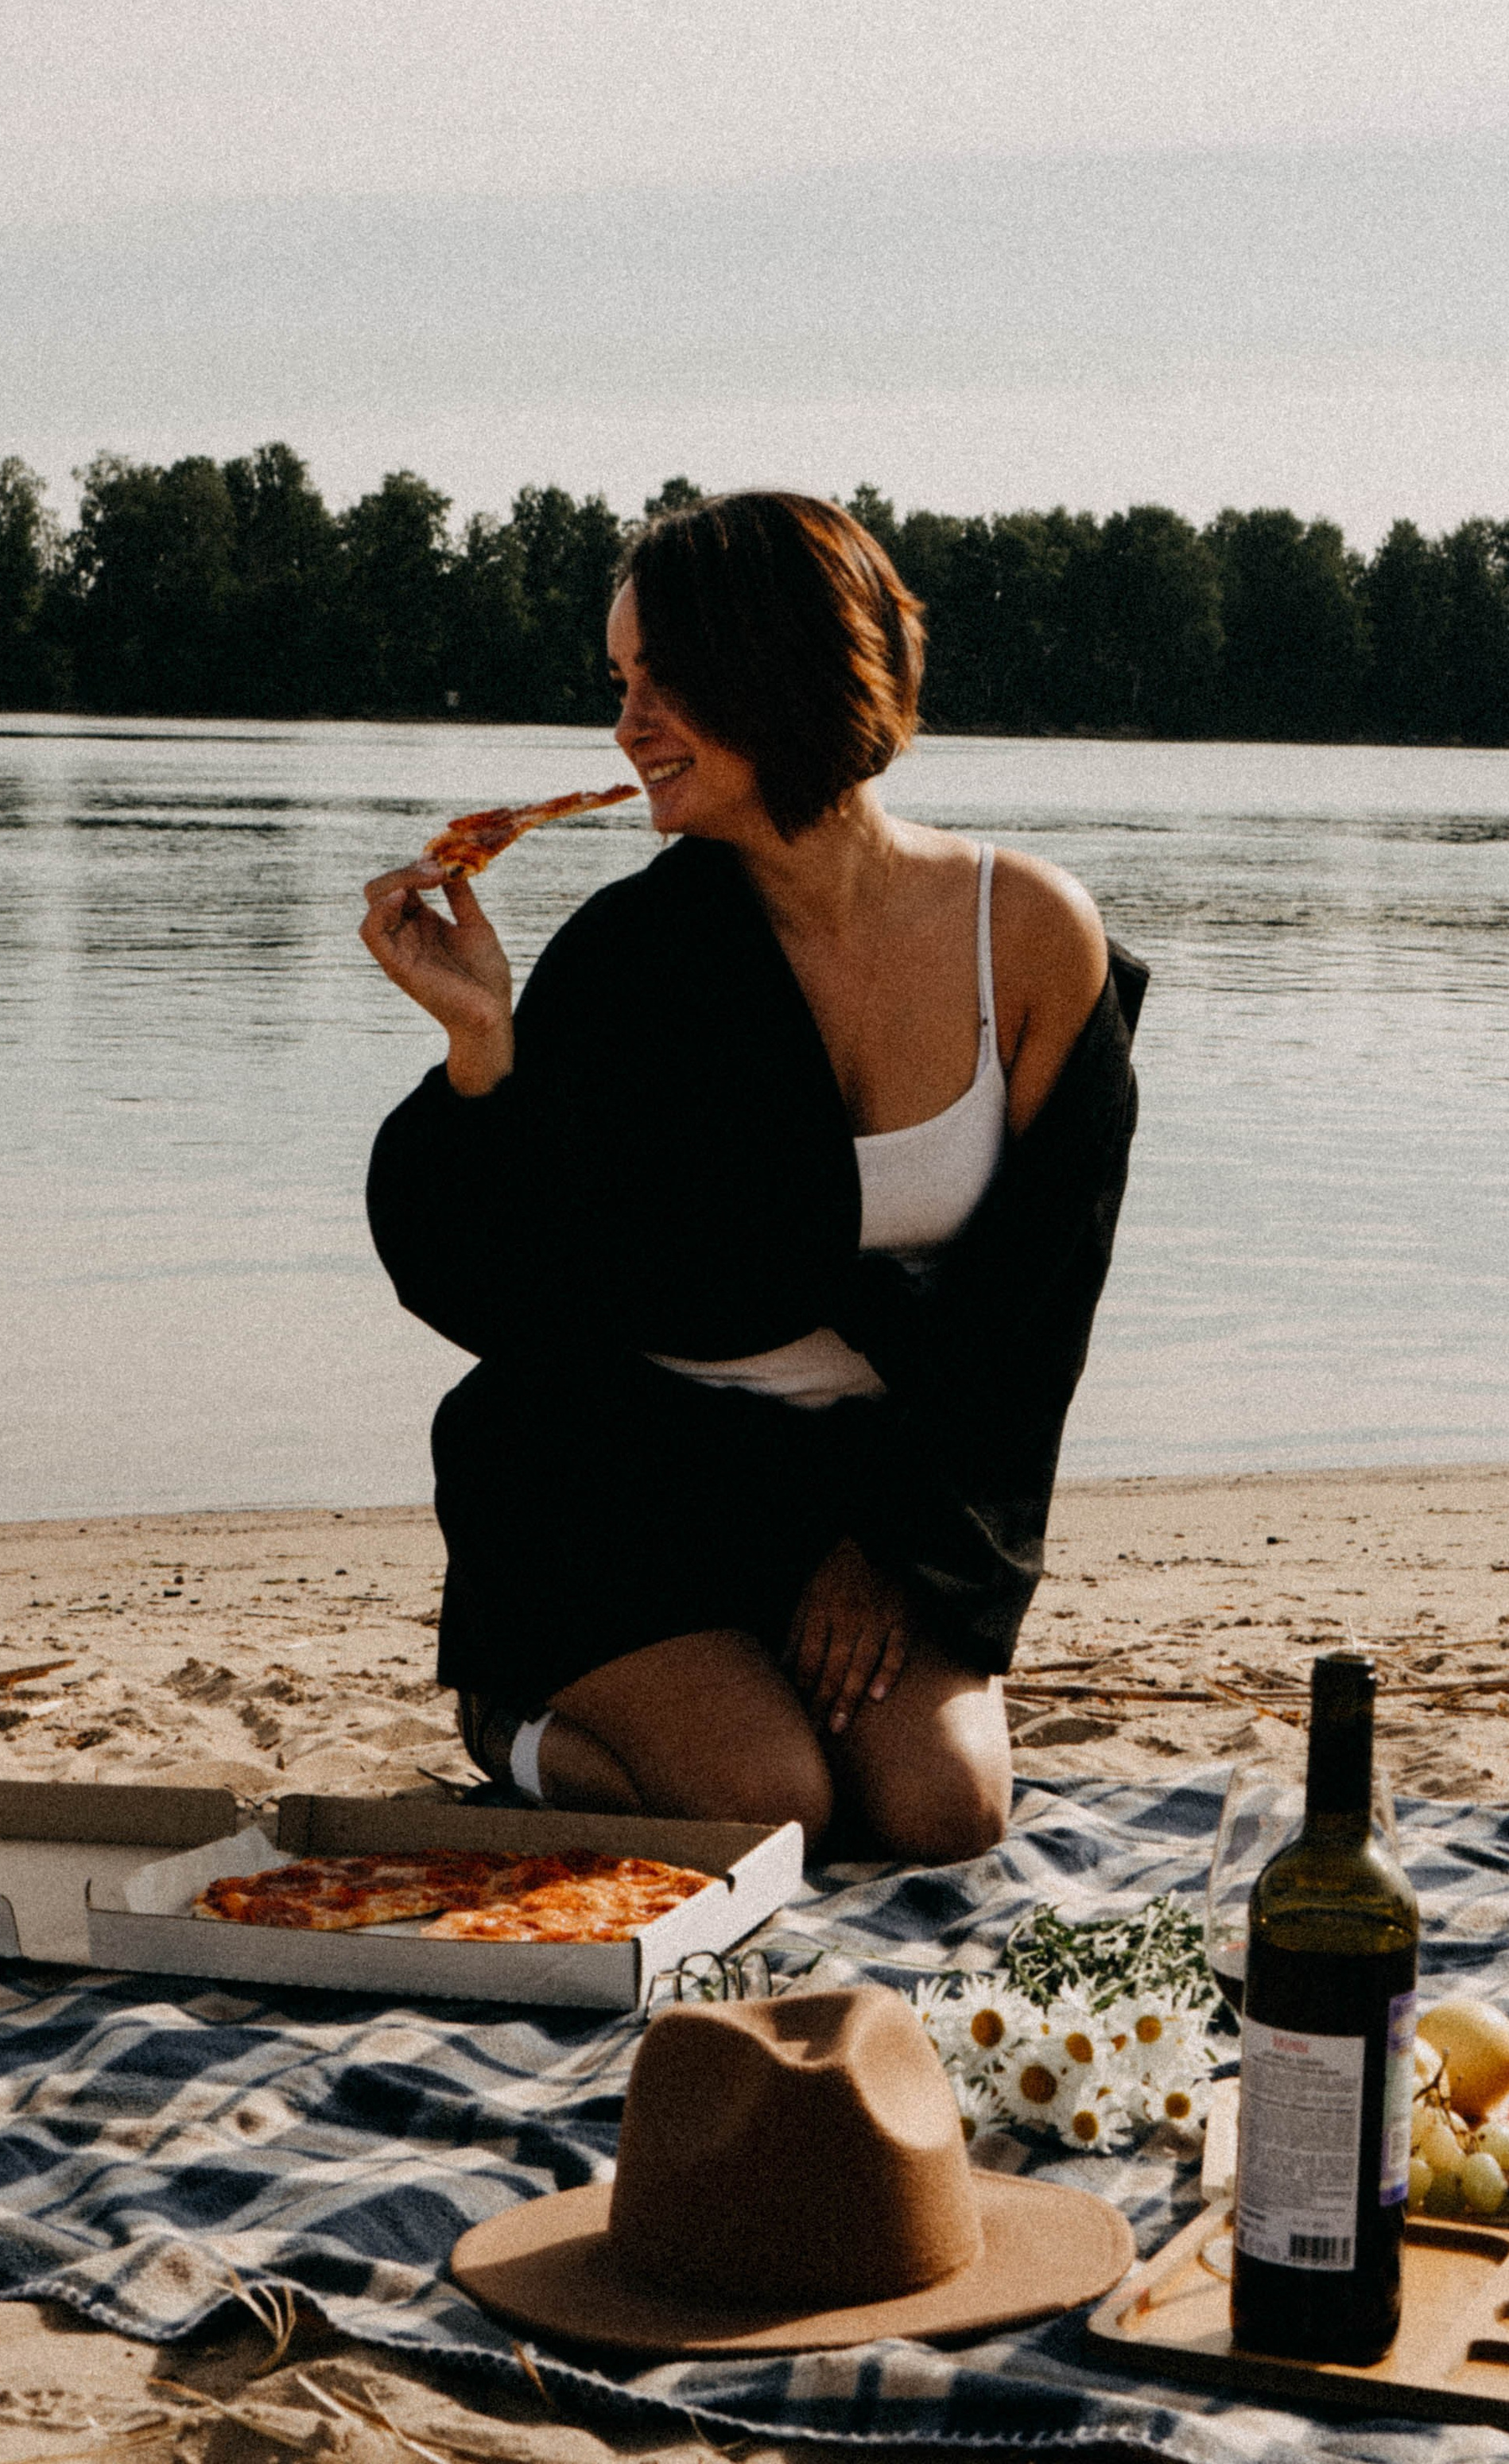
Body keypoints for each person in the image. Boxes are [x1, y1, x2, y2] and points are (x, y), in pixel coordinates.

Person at [361, 491, 1143, 1865]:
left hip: (878, 1484)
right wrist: (485, 1047)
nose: (626, 725)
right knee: (774, 1809)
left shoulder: (1025, 934)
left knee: (941, 1814)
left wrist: (894, 1545)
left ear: (782, 667)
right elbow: (511, 1289)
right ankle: (516, 1720)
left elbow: (1034, 1316)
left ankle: (749, 1691)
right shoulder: (631, 957)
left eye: (665, 683)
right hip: (616, 1469)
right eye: (620, 685)